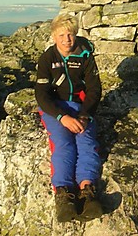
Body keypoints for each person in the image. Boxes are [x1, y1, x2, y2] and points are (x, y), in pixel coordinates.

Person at [35, 13, 103, 222]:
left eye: (71, 34)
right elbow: (41, 94)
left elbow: (94, 89)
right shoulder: (48, 58)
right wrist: (62, 117)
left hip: (81, 108)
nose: (67, 39)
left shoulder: (85, 56)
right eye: (62, 35)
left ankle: (87, 190)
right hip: (55, 108)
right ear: (54, 36)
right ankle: (63, 195)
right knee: (64, 144)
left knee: (86, 141)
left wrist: (84, 115)